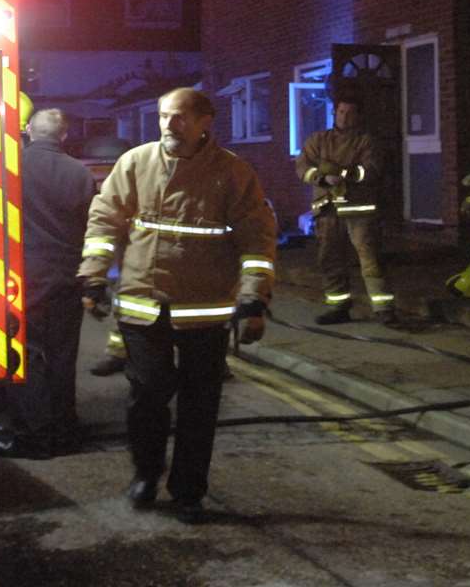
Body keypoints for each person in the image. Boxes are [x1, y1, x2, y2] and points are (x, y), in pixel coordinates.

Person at [77, 88, 277, 524]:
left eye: (180, 117)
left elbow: (257, 240)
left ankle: (189, 490)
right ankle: (146, 473)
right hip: (143, 304)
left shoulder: (232, 172)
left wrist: (252, 298)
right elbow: (105, 218)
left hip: (204, 310)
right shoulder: (136, 162)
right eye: (165, 116)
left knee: (200, 405)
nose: (169, 125)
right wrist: (94, 274)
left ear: (206, 121)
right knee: (147, 395)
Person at [0, 108, 96, 459]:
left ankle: (34, 436)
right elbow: (90, 225)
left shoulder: (12, 168)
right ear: (64, 136)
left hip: (26, 276)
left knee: (27, 355)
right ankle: (66, 431)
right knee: (63, 356)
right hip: (69, 276)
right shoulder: (81, 173)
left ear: (27, 131)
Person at [296, 91, 396, 326]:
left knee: (370, 259)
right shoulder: (318, 140)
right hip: (328, 210)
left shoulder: (367, 141)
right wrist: (321, 178)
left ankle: (384, 309)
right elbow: (303, 167)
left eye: (350, 113)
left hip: (358, 211)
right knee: (330, 259)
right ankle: (338, 307)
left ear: (358, 116)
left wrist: (341, 173)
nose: (344, 117)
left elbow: (370, 170)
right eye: (341, 112)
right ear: (334, 112)